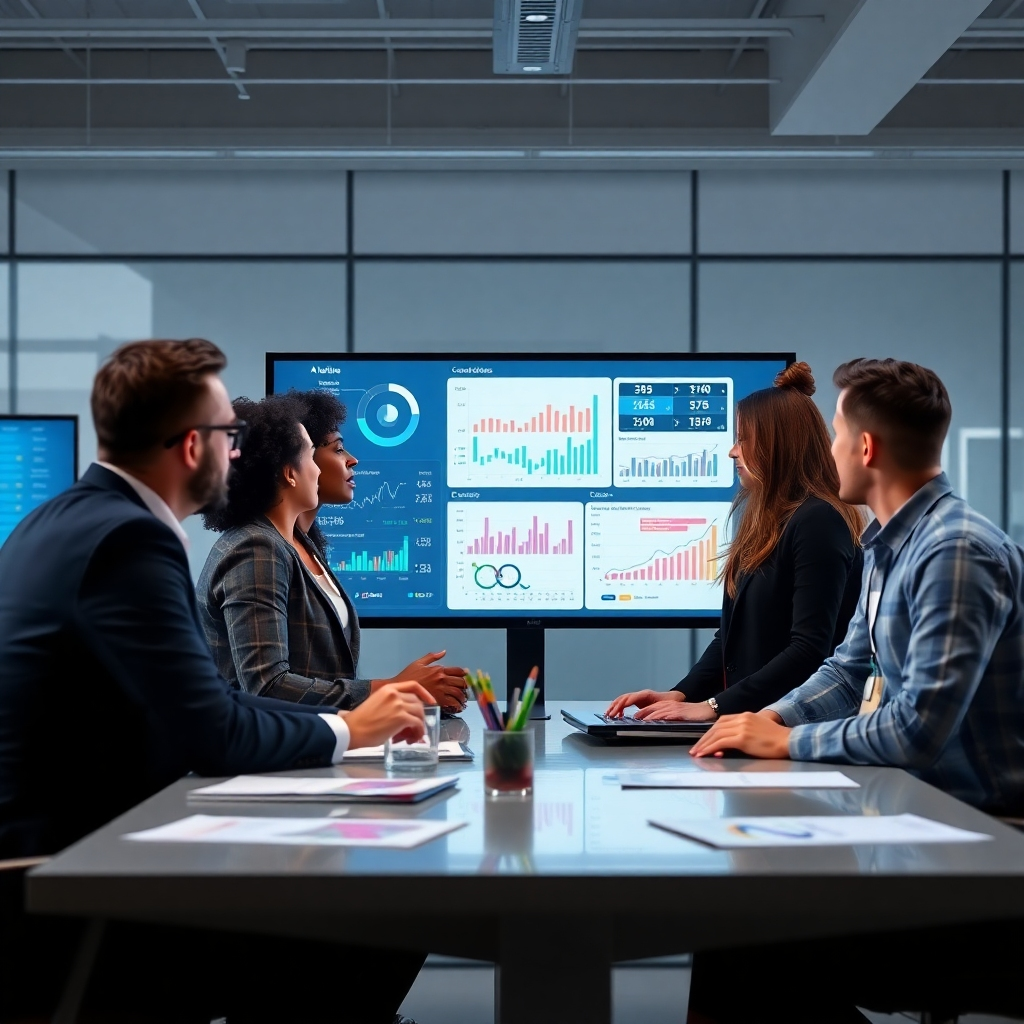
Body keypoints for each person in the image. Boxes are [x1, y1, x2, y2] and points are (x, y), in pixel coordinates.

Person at [0, 339, 432, 1023]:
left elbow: (210, 702)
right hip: (75, 897)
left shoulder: (58, 520)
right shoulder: (129, 541)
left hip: (77, 859)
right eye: (229, 434)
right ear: (191, 445)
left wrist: (344, 725)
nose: (239, 452)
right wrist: (351, 729)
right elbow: (214, 729)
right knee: (389, 913)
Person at [686, 358, 1024, 1023]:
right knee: (735, 919)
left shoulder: (954, 552)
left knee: (746, 938)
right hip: (920, 825)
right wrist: (763, 723)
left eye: (837, 432)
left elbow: (917, 729)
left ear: (865, 448)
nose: (829, 446)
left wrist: (786, 742)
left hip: (982, 850)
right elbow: (846, 671)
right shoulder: (889, 548)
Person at [606, 362, 863, 723]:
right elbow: (730, 639)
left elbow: (808, 649)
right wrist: (682, 694)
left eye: (743, 439)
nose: (732, 451)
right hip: (752, 725)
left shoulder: (819, 521)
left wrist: (713, 706)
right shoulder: (766, 521)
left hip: (793, 729)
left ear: (776, 446)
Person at [198, 392, 468, 713]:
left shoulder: (297, 543)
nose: (316, 469)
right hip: (267, 743)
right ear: (289, 472)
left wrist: (403, 696)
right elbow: (267, 686)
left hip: (311, 733)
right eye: (310, 456)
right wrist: (394, 689)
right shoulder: (257, 548)